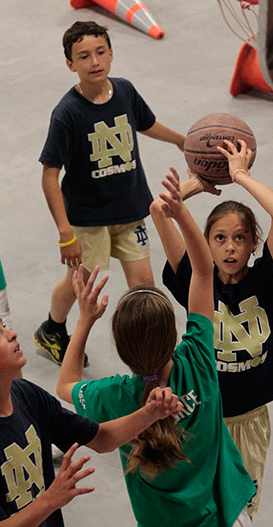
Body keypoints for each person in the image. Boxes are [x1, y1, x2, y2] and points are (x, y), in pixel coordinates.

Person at [56, 167, 256, 527]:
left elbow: (65, 384)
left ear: (123, 349)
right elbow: (204, 271)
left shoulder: (114, 396)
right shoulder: (197, 359)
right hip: (226, 515)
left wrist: (84, 320)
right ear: (174, 335)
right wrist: (179, 212)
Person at [150, 139, 273, 517]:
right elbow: (158, 210)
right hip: (201, 417)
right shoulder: (196, 282)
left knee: (240, 513)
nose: (230, 247)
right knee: (201, 511)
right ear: (206, 244)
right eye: (219, 238)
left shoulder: (267, 281)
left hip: (249, 421)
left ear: (254, 244)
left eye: (240, 238)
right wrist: (199, 183)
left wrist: (240, 176)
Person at [33, 20, 185, 366]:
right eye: (83, 56)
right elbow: (49, 175)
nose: (94, 61)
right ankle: (52, 329)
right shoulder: (67, 113)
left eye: (100, 52)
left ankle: (149, 355)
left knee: (144, 286)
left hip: (130, 211)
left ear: (112, 53)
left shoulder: (125, 91)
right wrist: (65, 233)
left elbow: (145, 123)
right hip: (89, 220)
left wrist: (180, 140)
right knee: (82, 285)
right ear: (70, 64)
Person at [0, 319, 181, 526]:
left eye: (4, 326)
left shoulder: (28, 395)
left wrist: (149, 414)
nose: (12, 333)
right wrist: (48, 501)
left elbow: (102, 438)